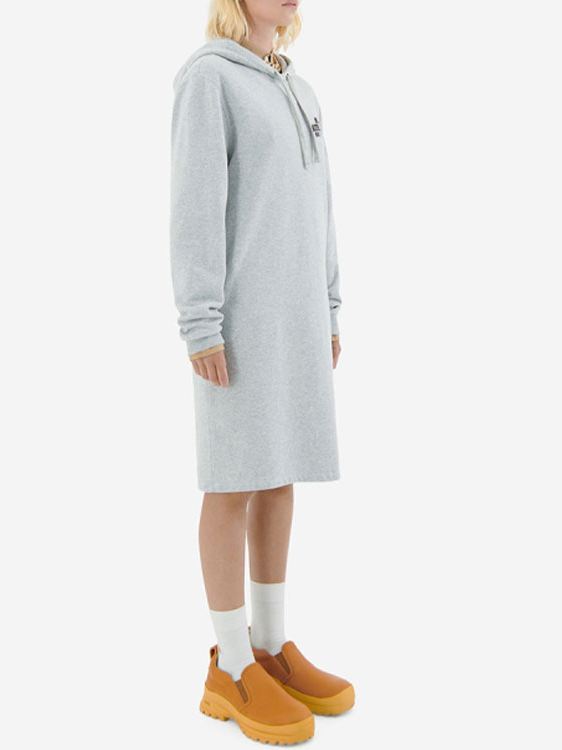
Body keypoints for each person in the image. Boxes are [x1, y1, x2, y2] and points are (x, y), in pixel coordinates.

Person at [169, 0, 353, 743]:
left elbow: (321, 209)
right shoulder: (209, 79)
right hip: (240, 323)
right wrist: (200, 321)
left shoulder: (299, 89)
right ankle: (231, 663)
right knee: (232, 481)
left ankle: (271, 646)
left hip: (297, 318)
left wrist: (329, 307)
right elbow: (194, 207)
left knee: (280, 475)